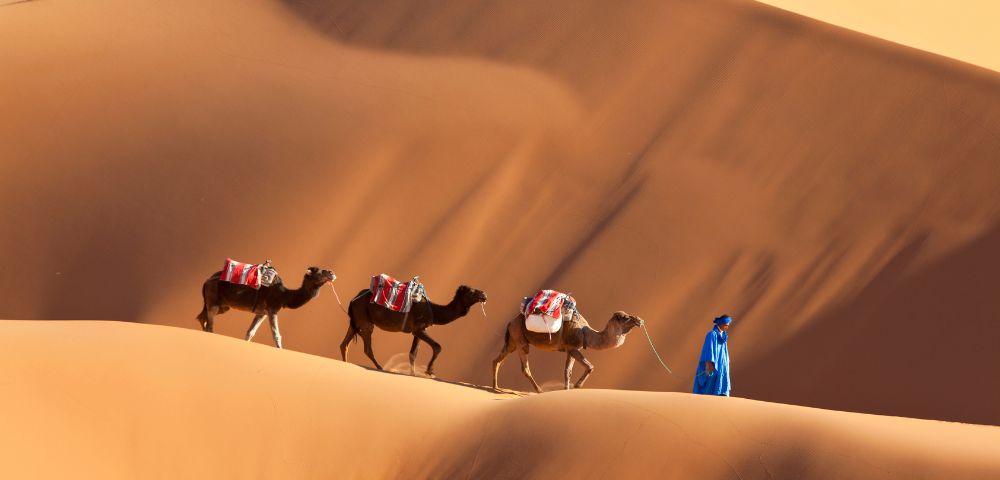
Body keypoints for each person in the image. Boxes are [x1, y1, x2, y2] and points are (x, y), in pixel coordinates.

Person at [693, 314, 732, 396]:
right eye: (726, 325)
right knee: (709, 385)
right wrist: (709, 363)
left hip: (722, 365)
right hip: (712, 365)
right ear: (721, 324)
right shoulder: (711, 334)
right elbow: (708, 350)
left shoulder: (723, 336)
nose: (727, 327)